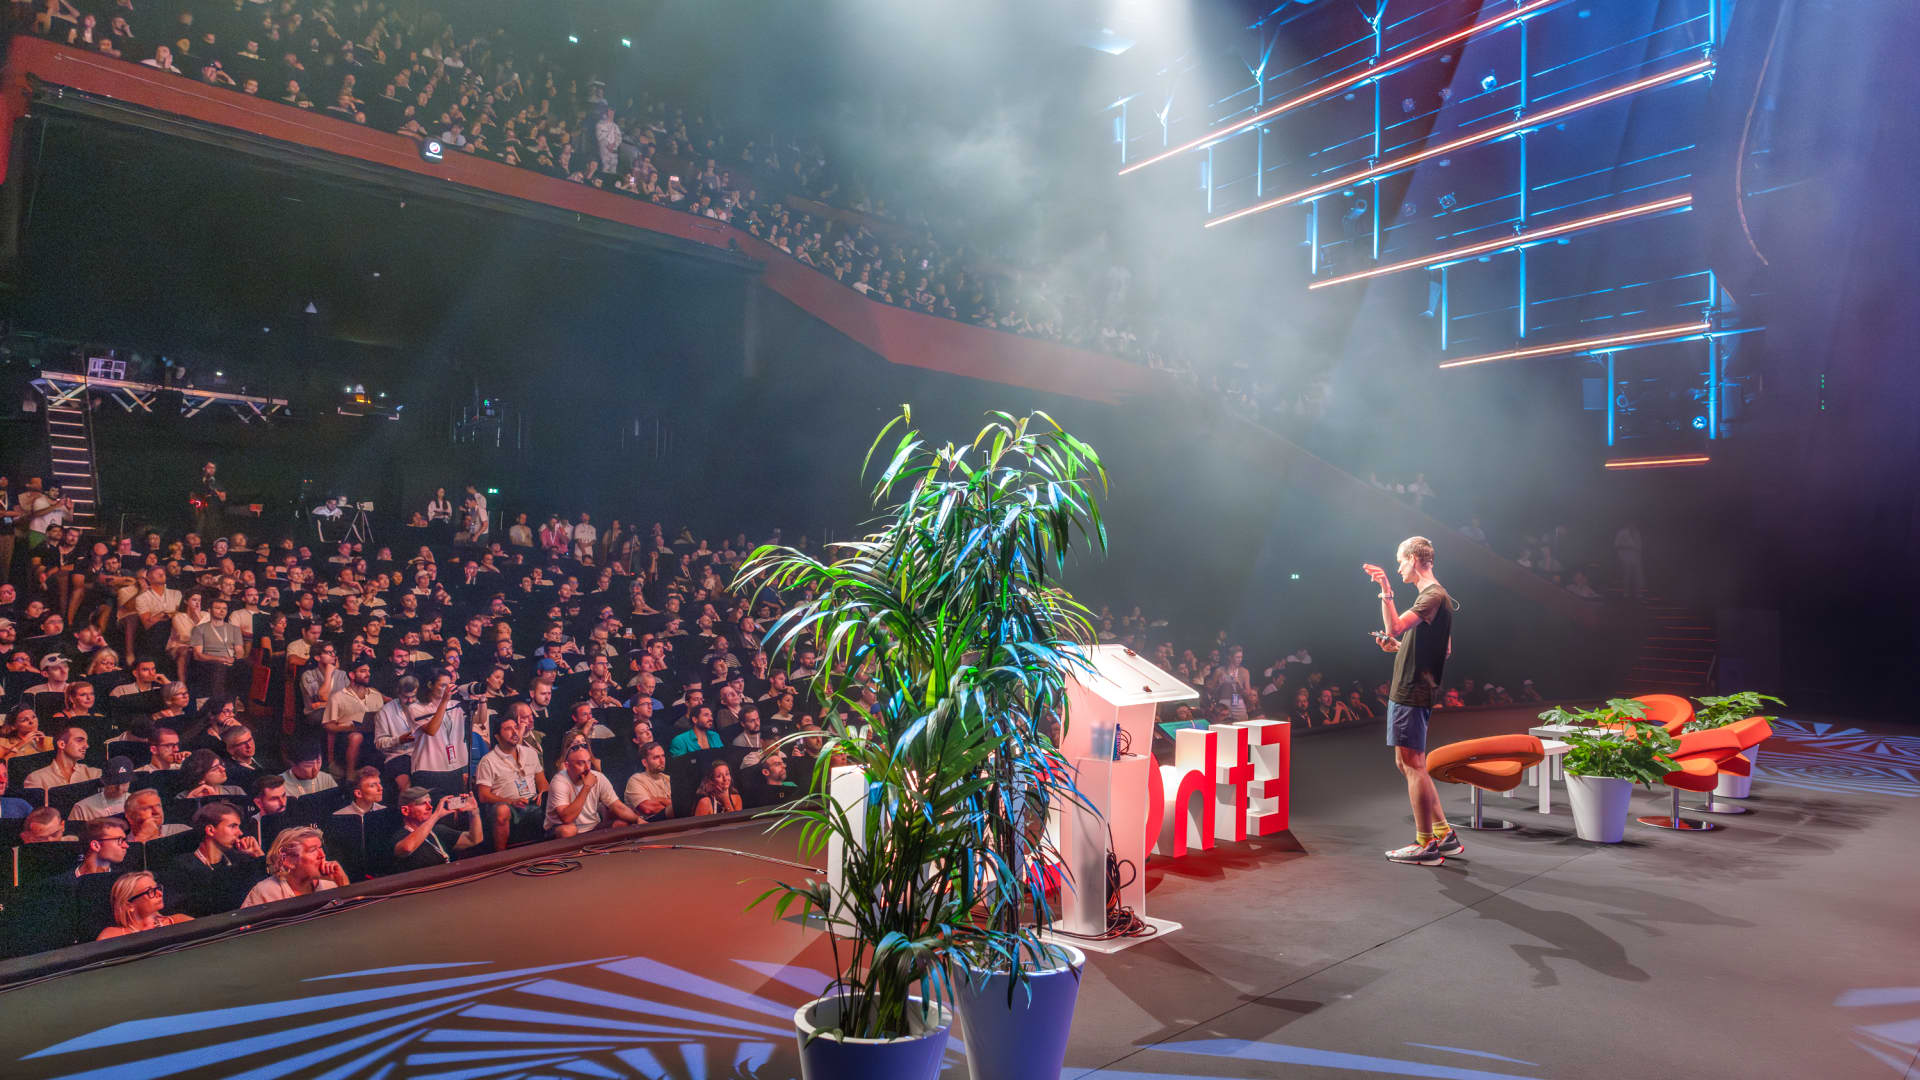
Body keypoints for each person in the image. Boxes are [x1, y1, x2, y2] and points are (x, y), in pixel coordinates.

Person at [1364, 536, 1456, 866]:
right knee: (1406, 763)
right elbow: (1442, 649)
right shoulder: (1437, 597)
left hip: (1412, 691)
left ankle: (1425, 844)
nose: (1399, 567)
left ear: (1414, 559)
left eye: (1401, 561)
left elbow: (1394, 626)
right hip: (1414, 688)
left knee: (1413, 765)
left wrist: (1385, 590)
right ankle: (1444, 834)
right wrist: (1400, 649)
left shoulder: (1432, 595)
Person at [165, 802, 266, 916]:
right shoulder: (183, 867)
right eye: (233, 826)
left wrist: (258, 854)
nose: (240, 833)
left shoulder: (239, 859)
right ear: (210, 830)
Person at [474, 703, 547, 850]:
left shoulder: (530, 753)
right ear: (497, 736)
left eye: (516, 727)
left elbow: (543, 782)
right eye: (508, 729)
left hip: (532, 801)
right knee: (502, 810)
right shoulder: (488, 761)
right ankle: (501, 857)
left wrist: (543, 793)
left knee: (554, 798)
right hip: (508, 805)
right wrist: (511, 801)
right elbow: (483, 795)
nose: (514, 732)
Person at [544, 742, 639, 838]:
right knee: (568, 831)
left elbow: (617, 806)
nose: (587, 768)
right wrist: (586, 787)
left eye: (588, 761)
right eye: (581, 763)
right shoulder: (559, 781)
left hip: (592, 828)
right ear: (567, 766)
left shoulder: (598, 777)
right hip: (561, 828)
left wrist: (638, 820)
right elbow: (567, 818)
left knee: (621, 824)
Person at [241, 826, 350, 907]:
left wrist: (343, 883)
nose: (322, 855)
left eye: (320, 848)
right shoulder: (264, 893)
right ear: (288, 861)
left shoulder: (329, 885)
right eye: (312, 850)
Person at [388, 787, 484, 873]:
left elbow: (474, 839)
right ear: (405, 810)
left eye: (429, 802)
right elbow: (407, 848)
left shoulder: (437, 830)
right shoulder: (400, 836)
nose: (430, 807)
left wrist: (474, 812)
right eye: (422, 804)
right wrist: (436, 815)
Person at [97, 872, 195, 939]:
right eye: (150, 891)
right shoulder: (111, 936)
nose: (160, 894)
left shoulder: (180, 921)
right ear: (129, 905)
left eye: (158, 888)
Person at [69, 755, 137, 822]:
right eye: (114, 783)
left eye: (124, 783)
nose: (120, 788)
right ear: (104, 781)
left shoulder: (137, 802)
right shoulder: (82, 809)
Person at [621, 739, 673, 821]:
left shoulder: (668, 778)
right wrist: (672, 807)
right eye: (656, 757)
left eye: (663, 756)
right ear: (645, 762)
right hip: (648, 824)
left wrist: (659, 799)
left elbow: (682, 804)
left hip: (672, 821)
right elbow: (648, 808)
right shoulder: (636, 779)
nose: (662, 761)